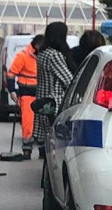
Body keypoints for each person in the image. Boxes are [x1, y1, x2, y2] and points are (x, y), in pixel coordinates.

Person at [34, 22, 78, 159]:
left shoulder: (42, 53)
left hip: (42, 102)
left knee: (47, 144)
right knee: (56, 148)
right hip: (55, 103)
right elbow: (69, 80)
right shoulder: (54, 55)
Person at [7, 35, 44, 159]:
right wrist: (12, 91)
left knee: (42, 122)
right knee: (28, 123)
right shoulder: (22, 56)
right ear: (37, 45)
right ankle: (27, 149)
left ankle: (43, 149)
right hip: (27, 94)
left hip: (42, 94)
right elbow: (11, 74)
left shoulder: (44, 56)